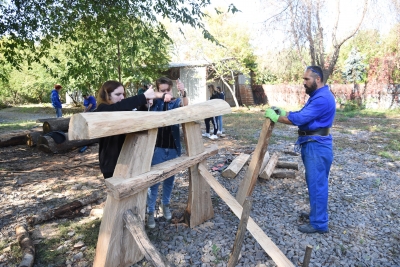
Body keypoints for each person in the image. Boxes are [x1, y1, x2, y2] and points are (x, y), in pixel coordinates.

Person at [264, 66, 336, 234]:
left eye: (307, 79)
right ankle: (316, 215)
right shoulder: (318, 95)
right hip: (314, 144)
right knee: (315, 183)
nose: (304, 83)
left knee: (317, 184)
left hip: (316, 146)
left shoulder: (322, 98)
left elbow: (301, 118)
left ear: (317, 79)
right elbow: (303, 113)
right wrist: (284, 112)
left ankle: (319, 223)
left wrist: (278, 117)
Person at [95, 80, 171, 179]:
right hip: (111, 163)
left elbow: (136, 115)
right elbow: (116, 108)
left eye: (123, 94)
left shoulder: (122, 108)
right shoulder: (102, 109)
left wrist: (146, 105)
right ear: (106, 95)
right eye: (117, 94)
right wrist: (143, 97)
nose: (122, 97)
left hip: (128, 160)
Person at [147, 77, 188, 229]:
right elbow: (146, 112)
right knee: (154, 182)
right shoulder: (154, 102)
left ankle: (166, 205)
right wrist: (150, 101)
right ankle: (150, 212)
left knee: (169, 180)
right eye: (162, 90)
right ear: (157, 91)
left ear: (172, 89)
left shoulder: (175, 102)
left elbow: (185, 105)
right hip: (156, 148)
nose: (165, 93)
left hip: (172, 148)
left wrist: (183, 92)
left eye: (167, 90)